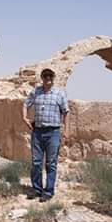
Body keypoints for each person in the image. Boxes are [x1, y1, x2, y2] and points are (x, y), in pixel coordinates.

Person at [22, 68, 69, 202]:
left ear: (53, 78)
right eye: (45, 76)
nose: (48, 78)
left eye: (50, 76)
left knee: (51, 163)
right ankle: (37, 189)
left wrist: (66, 131)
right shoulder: (36, 92)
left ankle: (48, 191)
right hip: (37, 131)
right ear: (42, 78)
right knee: (36, 162)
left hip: (53, 132)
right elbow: (25, 104)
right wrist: (24, 117)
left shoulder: (59, 94)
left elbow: (66, 112)